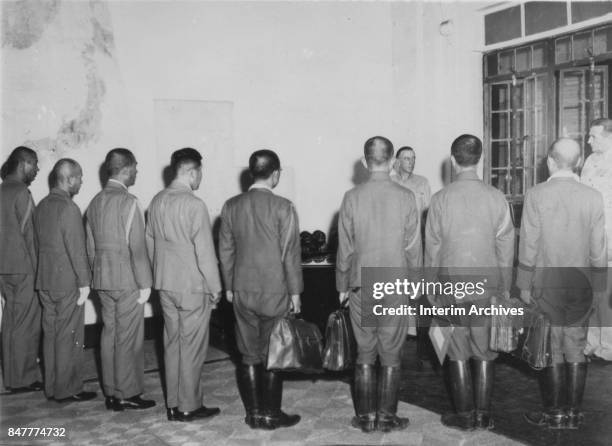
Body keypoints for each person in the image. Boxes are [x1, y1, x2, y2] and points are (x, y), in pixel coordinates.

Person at [425, 134, 514, 431]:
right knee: (485, 350)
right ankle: (483, 415)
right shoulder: (497, 197)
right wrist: (504, 288)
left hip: (451, 285)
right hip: (487, 285)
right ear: (480, 159)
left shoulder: (439, 200)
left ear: (452, 161)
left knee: (457, 348)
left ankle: (463, 416)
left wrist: (431, 289)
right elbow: (505, 249)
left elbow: (432, 251)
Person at [519, 138, 607, 429]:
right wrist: (600, 286)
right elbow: (598, 248)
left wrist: (523, 284)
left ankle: (554, 413)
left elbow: (528, 243)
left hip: (547, 282)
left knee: (551, 347)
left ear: (550, 161)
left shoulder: (536, 194)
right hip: (581, 282)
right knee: (576, 347)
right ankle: (574, 413)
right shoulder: (593, 197)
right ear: (580, 162)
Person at [336, 136, 422, 433]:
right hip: (395, 283)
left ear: (364, 162)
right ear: (392, 161)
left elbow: (345, 247)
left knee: (364, 351)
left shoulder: (351, 197)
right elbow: (413, 247)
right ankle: (386, 416)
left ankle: (365, 418)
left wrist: (342, 284)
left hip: (361, 282)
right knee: (392, 350)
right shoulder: (406, 196)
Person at [219, 149, 302, 430]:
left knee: (248, 354)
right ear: (275, 174)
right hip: (275, 291)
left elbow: (226, 251)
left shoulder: (231, 206)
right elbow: (290, 254)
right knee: (274, 354)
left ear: (251, 173)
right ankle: (272, 414)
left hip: (242, 290)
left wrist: (229, 287)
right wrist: (295, 292)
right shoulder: (284, 207)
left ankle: (253, 413)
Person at [146, 148, 221, 422]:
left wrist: (160, 275)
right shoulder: (194, 204)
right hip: (191, 285)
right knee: (192, 347)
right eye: (200, 172)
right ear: (191, 172)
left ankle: (173, 403)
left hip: (165, 283)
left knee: (172, 343)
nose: (201, 177)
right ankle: (189, 405)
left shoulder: (156, 201)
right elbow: (204, 251)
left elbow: (150, 243)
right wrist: (215, 287)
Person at [85, 148, 155, 411]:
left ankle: (112, 392)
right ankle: (128, 393)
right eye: (135, 167)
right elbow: (137, 248)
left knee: (109, 334)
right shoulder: (129, 202)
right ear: (125, 169)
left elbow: (90, 248)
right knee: (129, 338)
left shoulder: (94, 202)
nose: (137, 171)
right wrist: (145, 283)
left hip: (102, 279)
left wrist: (97, 275)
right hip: (127, 280)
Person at [33, 159, 96, 402]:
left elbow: (36, 245)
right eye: (79, 177)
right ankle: (68, 389)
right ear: (68, 179)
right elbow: (76, 249)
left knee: (51, 335)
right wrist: (84, 282)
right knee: (68, 336)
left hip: (46, 280)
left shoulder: (42, 205)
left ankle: (52, 387)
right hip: (67, 281)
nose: (81, 181)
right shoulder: (68, 208)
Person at [0, 146, 42, 393]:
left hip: (4, 268)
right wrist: (40, 274)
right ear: (24, 163)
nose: (37, 170)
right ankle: (24, 378)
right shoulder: (21, 193)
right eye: (34, 164)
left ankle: (13, 377)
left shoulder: (2, 190)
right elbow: (32, 238)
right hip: (24, 267)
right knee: (25, 323)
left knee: (11, 322)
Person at [581, 118, 612, 361]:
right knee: (592, 293)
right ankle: (591, 343)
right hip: (590, 237)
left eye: (594, 136)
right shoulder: (590, 161)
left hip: (610, 238)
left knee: (608, 295)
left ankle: (608, 346)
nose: (589, 141)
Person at [390, 146, 431, 213]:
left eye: (413, 158)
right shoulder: (390, 181)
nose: (411, 162)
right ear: (398, 161)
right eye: (407, 159)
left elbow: (428, 211)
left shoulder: (423, 182)